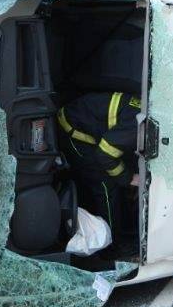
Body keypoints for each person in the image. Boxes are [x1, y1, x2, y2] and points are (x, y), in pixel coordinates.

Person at [57, 92, 140, 237]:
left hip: (87, 118)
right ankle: (110, 244)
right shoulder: (137, 126)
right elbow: (104, 155)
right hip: (73, 130)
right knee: (106, 185)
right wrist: (129, 178)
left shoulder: (147, 112)